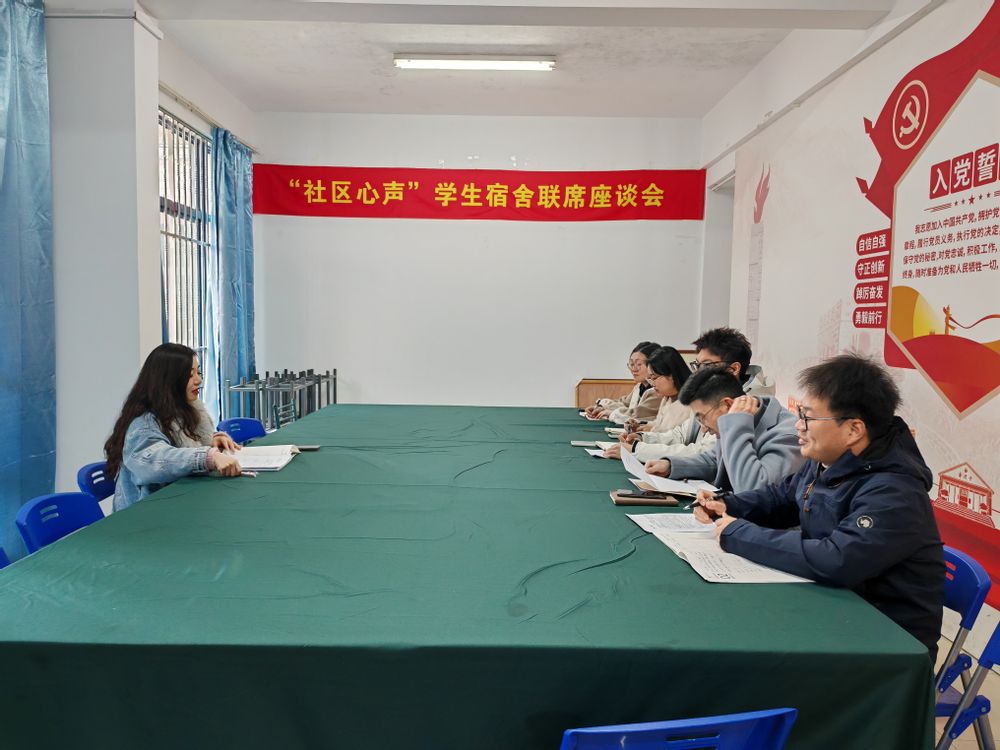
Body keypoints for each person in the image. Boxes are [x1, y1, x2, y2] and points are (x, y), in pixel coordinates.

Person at [692, 354, 944, 660]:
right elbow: (782, 498)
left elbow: (837, 559)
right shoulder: (829, 461)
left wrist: (738, 534)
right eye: (800, 414)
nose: (798, 426)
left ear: (854, 429)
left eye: (808, 418)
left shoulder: (894, 491)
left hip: (885, 644)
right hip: (831, 607)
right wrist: (727, 504)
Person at [105, 343, 242, 512]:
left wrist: (212, 439)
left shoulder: (182, 411)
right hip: (144, 515)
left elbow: (182, 443)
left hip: (176, 505)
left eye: (198, 373)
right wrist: (208, 457)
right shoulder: (144, 423)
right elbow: (157, 458)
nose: (198, 380)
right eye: (190, 375)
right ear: (169, 380)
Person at [645, 367, 802, 493]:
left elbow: (753, 490)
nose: (703, 428)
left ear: (727, 404)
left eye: (702, 417)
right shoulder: (735, 417)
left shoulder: (788, 435)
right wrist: (671, 466)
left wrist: (736, 427)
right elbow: (715, 460)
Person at [603, 346, 691, 459]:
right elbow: (660, 426)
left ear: (673, 374)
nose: (652, 384)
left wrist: (639, 446)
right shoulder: (668, 398)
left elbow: (676, 439)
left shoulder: (691, 405)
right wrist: (641, 431)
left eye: (654, 378)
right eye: (650, 379)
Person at [584, 341, 663, 424]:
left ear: (653, 365)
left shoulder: (658, 390)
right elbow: (624, 403)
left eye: (639, 364)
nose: (633, 369)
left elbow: (638, 413)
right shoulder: (640, 386)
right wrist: (602, 407)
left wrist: (612, 413)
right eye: (631, 364)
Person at [690, 327, 774, 397]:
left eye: (706, 365)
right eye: (697, 365)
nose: (697, 373)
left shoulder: (755, 406)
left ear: (734, 369)